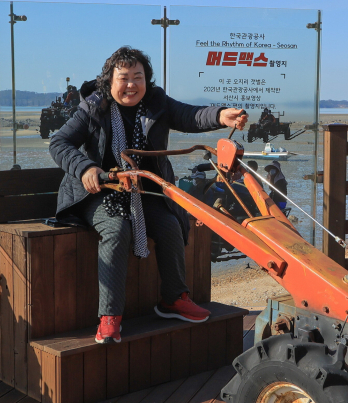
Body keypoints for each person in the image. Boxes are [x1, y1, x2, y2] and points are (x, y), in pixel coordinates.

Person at [50, 46, 248, 344]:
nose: (131, 84)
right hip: (101, 192)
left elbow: (190, 115)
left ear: (147, 79)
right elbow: (58, 142)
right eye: (124, 77)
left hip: (144, 190)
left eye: (138, 77)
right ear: (109, 81)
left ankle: (174, 299)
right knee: (117, 229)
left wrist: (221, 115)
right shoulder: (93, 107)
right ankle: (109, 317)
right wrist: (86, 168)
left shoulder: (156, 102)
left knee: (170, 225)